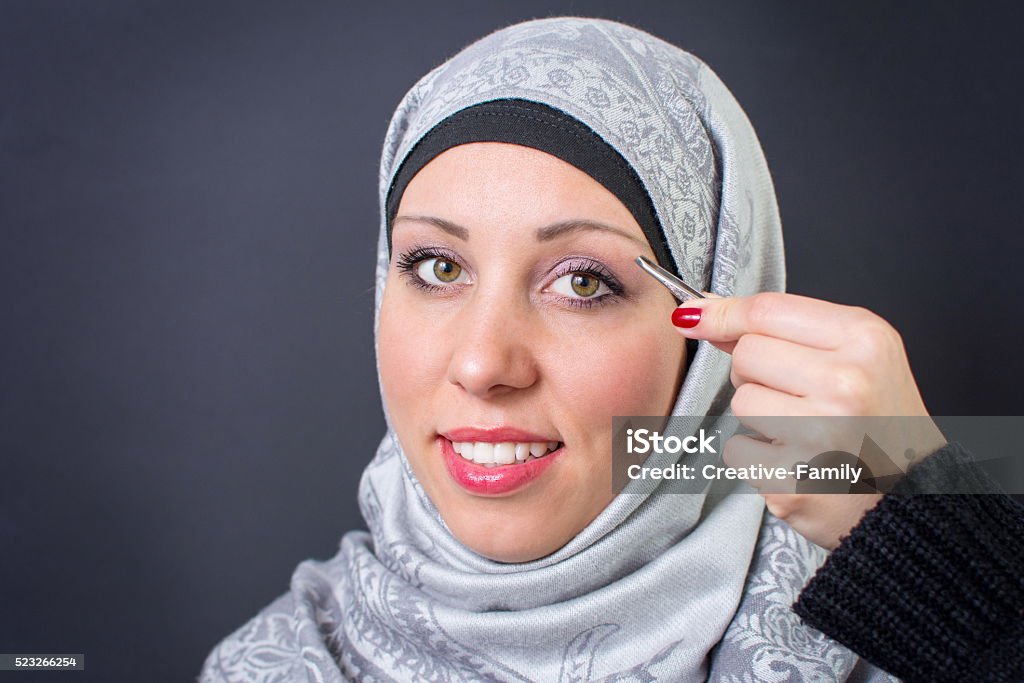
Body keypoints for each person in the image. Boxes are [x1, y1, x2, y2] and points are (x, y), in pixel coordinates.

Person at [199, 17, 1022, 682]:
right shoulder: (281, 664)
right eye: (438, 266)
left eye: (584, 282)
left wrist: (943, 540)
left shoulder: (914, 620)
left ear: (708, 347)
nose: (484, 365)